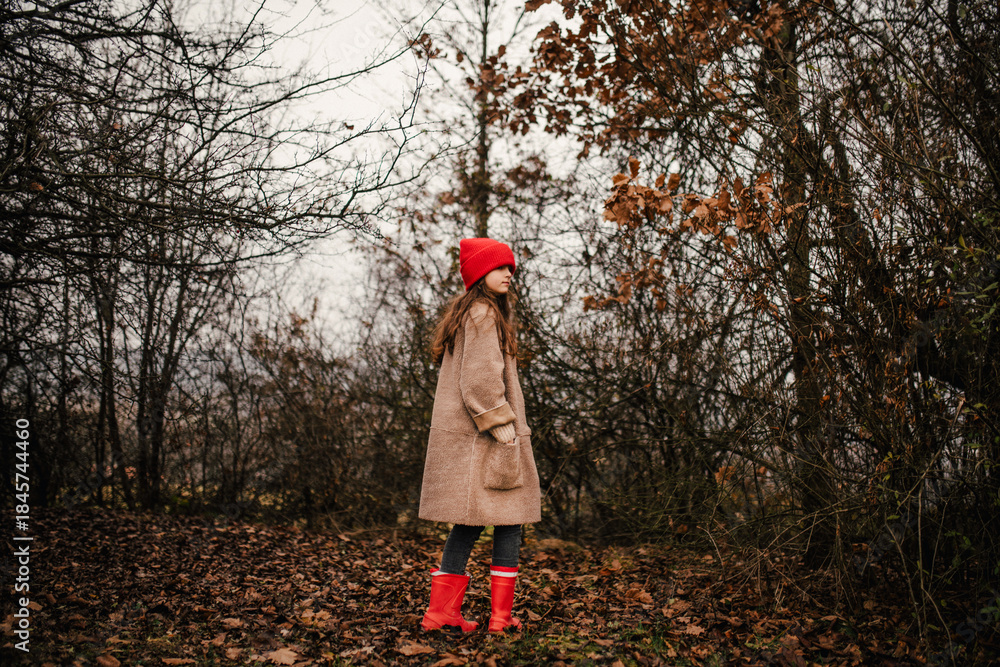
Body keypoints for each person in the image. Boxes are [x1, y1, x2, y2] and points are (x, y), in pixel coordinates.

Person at [418, 237, 542, 634]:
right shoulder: (483, 314)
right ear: (479, 274)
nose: (510, 273)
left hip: (482, 440)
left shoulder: (475, 313)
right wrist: (500, 422)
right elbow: (480, 379)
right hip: (488, 437)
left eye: (511, 268)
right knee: (503, 520)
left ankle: (457, 614)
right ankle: (492, 618)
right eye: (500, 267)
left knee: (484, 521)